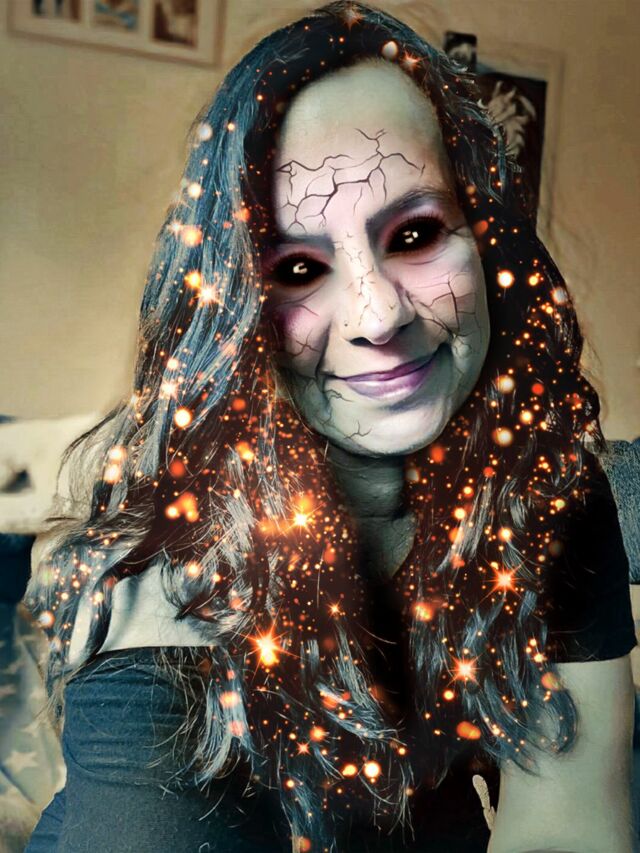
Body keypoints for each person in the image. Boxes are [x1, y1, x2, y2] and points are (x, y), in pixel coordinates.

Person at [24, 2, 637, 851]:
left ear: (488, 240)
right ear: (237, 309)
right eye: (300, 267)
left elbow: (567, 826)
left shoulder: (540, 481)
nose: (378, 316)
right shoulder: (169, 566)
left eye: (415, 233)